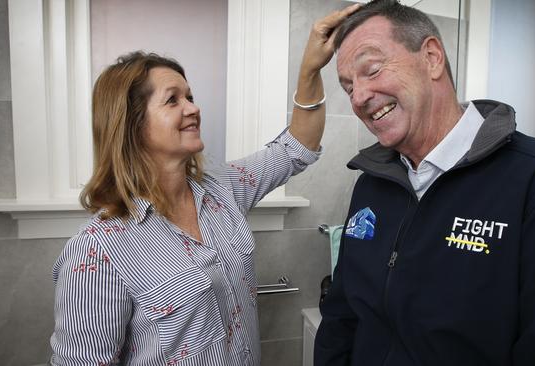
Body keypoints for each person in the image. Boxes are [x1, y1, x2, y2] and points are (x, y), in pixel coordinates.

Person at [49, 5, 360, 365]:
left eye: (191, 97)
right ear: (131, 123)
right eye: (173, 100)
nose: (193, 108)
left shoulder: (223, 188)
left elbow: (296, 148)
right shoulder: (97, 251)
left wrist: (309, 69)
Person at [314, 1, 535, 365]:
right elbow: (342, 317)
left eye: (370, 70)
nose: (357, 97)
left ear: (432, 57)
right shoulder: (372, 184)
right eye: (347, 86)